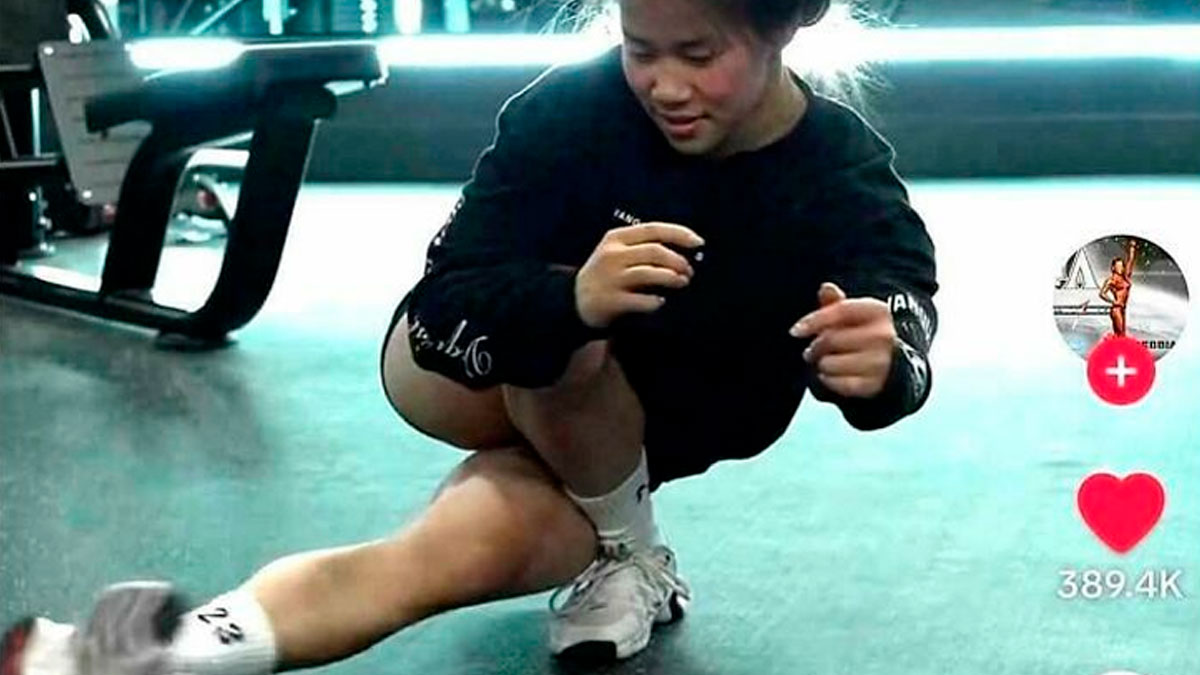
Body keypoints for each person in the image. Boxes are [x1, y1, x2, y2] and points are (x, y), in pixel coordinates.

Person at [1, 0, 938, 672]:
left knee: (428, 563)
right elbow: (455, 289)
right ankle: (631, 543)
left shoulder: (844, 176)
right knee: (568, 340)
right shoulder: (569, 113)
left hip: (630, 445)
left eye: (697, 52)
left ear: (791, 19)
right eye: (639, 47)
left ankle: (125, 656)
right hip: (465, 368)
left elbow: (904, 312)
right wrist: (571, 299)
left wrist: (885, 370)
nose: (664, 83)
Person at [1099, 238, 1136, 337]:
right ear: (1113, 268)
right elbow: (1102, 293)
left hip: (1123, 309)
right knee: (1121, 336)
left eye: (1122, 266)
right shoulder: (1111, 280)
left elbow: (1130, 261)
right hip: (1116, 309)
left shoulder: (1126, 277)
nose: (1121, 268)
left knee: (1121, 335)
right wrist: (1113, 302)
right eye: (1118, 266)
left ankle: (1116, 350)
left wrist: (1132, 248)